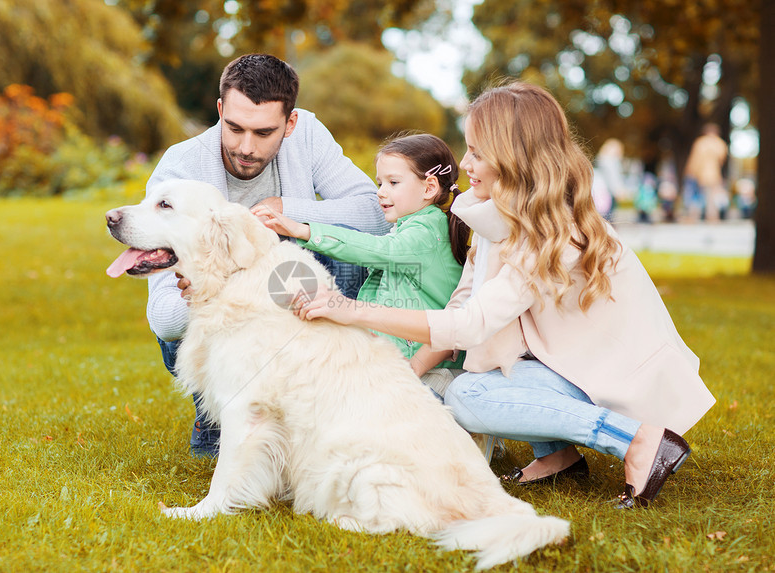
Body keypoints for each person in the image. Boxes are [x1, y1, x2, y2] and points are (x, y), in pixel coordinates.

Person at [291, 81, 716, 509]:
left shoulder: (553, 231)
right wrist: (406, 373)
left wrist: (354, 310)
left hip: (615, 376)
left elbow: (472, 324)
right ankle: (558, 457)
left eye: (477, 151)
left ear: (515, 158)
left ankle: (638, 441)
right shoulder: (502, 218)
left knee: (471, 395)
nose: (464, 162)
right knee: (470, 383)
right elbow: (460, 305)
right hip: (565, 365)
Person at [145, 53, 389, 458]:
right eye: (234, 127)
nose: (245, 147)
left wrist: (290, 211)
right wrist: (210, 281)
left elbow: (375, 215)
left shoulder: (307, 134)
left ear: (290, 124)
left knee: (346, 248)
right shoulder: (181, 170)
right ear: (220, 109)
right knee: (187, 318)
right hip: (230, 323)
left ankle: (321, 406)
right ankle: (219, 413)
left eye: (263, 133)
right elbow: (165, 320)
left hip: (290, 301)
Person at [254, 133, 469, 397]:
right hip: (405, 365)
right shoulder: (411, 228)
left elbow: (376, 250)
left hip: (432, 373)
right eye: (380, 183)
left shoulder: (425, 231)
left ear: (429, 188)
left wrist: (302, 230)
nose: (381, 192)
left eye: (393, 182)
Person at [683, 123, 729, 221]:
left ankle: (694, 215)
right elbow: (722, 159)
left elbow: (695, 159)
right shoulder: (720, 143)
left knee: (697, 195)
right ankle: (712, 216)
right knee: (711, 196)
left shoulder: (700, 143)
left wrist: (690, 171)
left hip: (700, 173)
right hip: (714, 172)